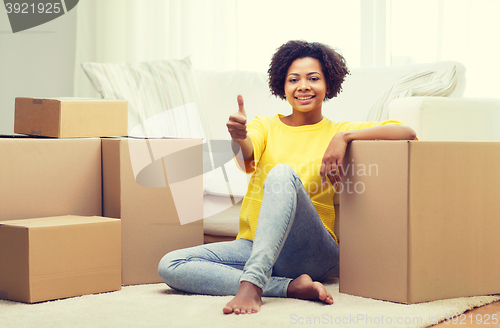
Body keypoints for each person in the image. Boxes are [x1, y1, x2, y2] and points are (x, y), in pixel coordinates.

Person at [158, 40, 417, 315]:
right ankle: (289, 287)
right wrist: (239, 137)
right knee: (171, 265)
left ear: (328, 85)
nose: (303, 86)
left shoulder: (339, 130)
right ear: (283, 86)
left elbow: (406, 132)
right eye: (294, 79)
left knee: (281, 173)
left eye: (313, 78)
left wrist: (345, 137)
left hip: (313, 252)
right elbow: (247, 153)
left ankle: (253, 285)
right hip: (256, 247)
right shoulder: (265, 126)